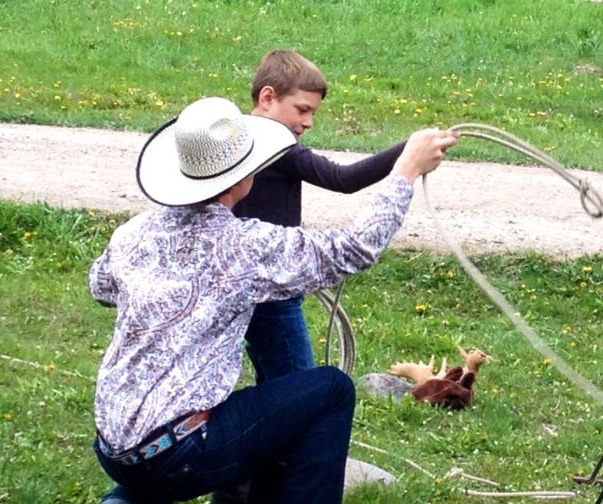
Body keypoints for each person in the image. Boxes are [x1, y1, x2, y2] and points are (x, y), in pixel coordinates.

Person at [91, 96, 457, 503]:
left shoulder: (133, 233)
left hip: (114, 449)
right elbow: (354, 249)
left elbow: (101, 287)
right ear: (242, 178)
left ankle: (127, 498)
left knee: (247, 415)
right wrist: (405, 170)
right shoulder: (242, 246)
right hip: (182, 451)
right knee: (331, 390)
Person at [233, 49, 408, 384]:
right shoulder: (277, 147)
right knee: (295, 387)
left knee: (270, 381)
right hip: (274, 288)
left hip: (237, 282)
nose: (309, 122)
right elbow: (343, 179)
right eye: (303, 109)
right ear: (268, 97)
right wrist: (408, 151)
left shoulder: (233, 137)